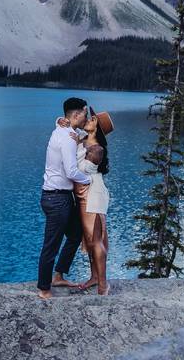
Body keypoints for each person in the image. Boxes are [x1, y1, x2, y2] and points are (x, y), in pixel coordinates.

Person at [37, 97, 91, 299]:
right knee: (51, 244)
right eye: (84, 113)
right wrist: (89, 180)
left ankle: (58, 275)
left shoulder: (61, 130)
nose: (86, 116)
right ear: (76, 115)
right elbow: (71, 171)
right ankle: (44, 289)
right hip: (57, 199)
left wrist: (61, 120)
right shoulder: (67, 137)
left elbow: (83, 134)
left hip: (61, 197)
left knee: (76, 234)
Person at [72, 107, 113, 295]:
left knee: (96, 239)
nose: (89, 120)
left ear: (98, 129)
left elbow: (80, 170)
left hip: (94, 195)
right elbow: (67, 124)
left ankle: (103, 284)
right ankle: (94, 277)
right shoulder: (82, 138)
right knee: (89, 239)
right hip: (84, 195)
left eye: (93, 120)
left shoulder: (97, 149)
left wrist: (76, 145)